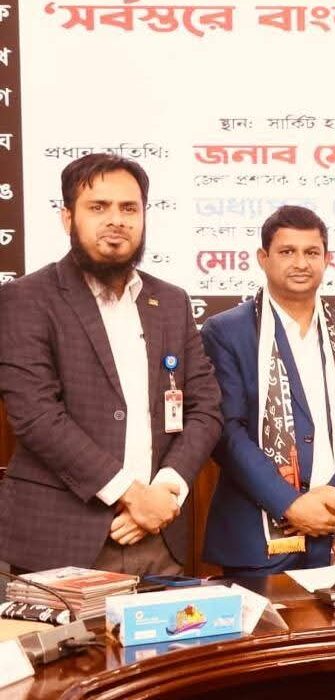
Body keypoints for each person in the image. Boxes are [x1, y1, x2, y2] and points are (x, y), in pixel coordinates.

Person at [0, 153, 222, 574]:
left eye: (129, 208)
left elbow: (206, 407)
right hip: (60, 542)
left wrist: (164, 493)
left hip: (158, 538)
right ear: (68, 217)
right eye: (98, 207)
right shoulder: (26, 298)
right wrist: (133, 495)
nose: (116, 220)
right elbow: (36, 416)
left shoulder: (171, 301)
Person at [200, 205, 335, 574]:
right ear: (263, 258)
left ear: (327, 259)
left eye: (311, 252)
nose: (301, 263)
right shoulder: (226, 332)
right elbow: (226, 431)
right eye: (287, 251)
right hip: (260, 543)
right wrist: (289, 503)